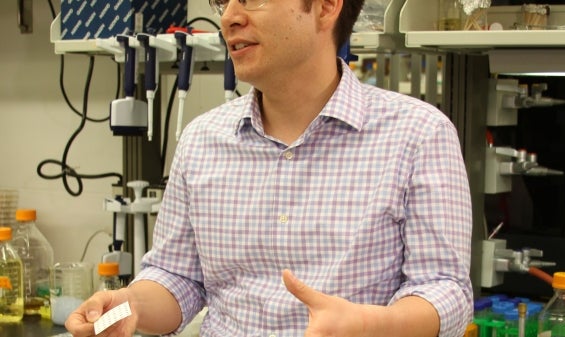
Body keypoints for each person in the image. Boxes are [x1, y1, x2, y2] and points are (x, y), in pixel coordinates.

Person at [65, 0, 474, 334]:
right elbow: (178, 278)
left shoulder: (419, 134)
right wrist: (129, 304)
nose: (228, 17)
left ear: (327, 6)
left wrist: (371, 325)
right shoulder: (202, 140)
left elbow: (446, 291)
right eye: (222, 1)